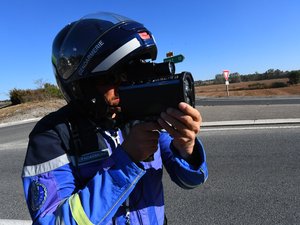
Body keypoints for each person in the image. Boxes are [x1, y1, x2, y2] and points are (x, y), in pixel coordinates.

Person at [21, 12, 208, 225]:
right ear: (82, 84)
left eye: (127, 74)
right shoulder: (51, 135)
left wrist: (187, 148)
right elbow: (54, 221)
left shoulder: (142, 117)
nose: (122, 86)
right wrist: (126, 160)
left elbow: (191, 181)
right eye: (110, 77)